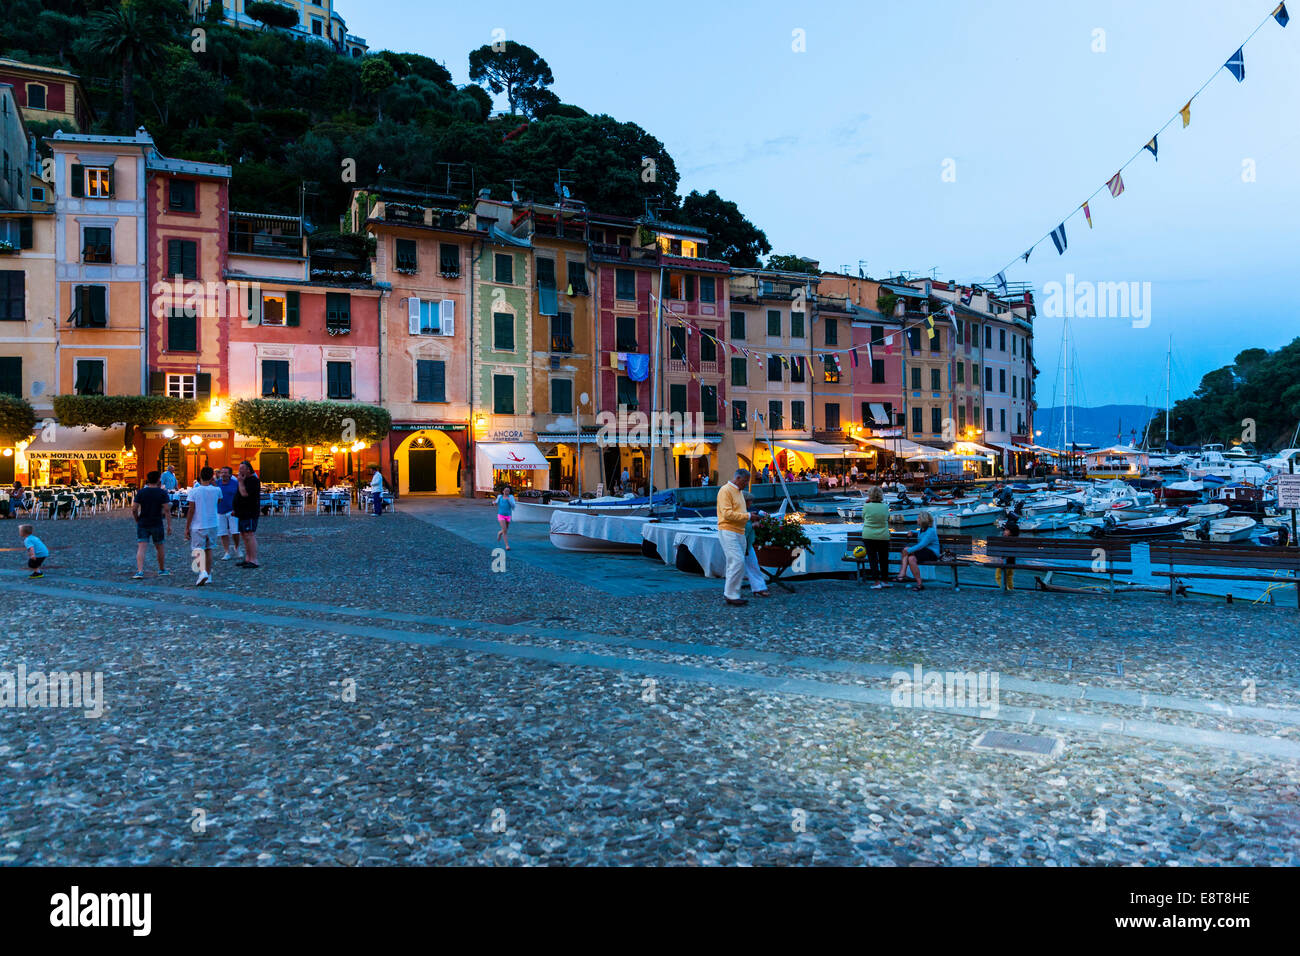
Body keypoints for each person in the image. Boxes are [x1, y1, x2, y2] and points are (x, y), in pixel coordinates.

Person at [717, 468, 755, 606]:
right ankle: (731, 594)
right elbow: (727, 514)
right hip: (728, 530)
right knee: (737, 561)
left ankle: (732, 592)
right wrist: (749, 516)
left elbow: (740, 512)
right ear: (738, 478)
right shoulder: (725, 491)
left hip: (739, 531)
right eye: (745, 481)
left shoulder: (739, 493)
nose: (746, 484)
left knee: (734, 563)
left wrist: (749, 517)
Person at [132, 470, 172, 579]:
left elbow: (134, 509)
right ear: (159, 479)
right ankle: (162, 569)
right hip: (157, 522)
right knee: (160, 547)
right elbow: (167, 510)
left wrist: (137, 519)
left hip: (143, 522)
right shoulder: (162, 493)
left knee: (141, 547)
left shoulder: (141, 492)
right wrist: (169, 525)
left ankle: (140, 571)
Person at [184, 466, 221, 586]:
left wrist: (187, 527)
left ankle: (202, 572)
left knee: (198, 550)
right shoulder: (217, 490)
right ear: (212, 477)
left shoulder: (194, 491)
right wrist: (214, 484)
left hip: (199, 524)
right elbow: (219, 501)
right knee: (209, 549)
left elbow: (191, 510)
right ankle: (208, 575)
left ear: (200, 476)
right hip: (213, 523)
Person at [896, 510, 940, 591]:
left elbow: (921, 545)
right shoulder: (922, 530)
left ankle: (902, 574)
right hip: (924, 551)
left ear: (923, 519)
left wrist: (909, 551)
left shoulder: (931, 531)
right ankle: (919, 584)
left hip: (932, 553)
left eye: (918, 518)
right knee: (911, 558)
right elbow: (919, 535)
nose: (917, 519)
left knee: (906, 550)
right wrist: (912, 531)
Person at [860, 485, 892, 589]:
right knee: (884, 558)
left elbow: (863, 517)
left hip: (869, 535)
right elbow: (887, 518)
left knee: (872, 558)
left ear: (870, 495)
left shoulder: (866, 506)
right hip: (883, 535)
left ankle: (876, 581)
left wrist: (867, 504)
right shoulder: (885, 506)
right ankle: (885, 580)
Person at [741, 492, 770, 599]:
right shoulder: (741, 513)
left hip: (747, 544)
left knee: (753, 565)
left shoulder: (744, 512)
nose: (752, 503)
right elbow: (741, 529)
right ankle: (732, 592)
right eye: (750, 501)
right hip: (742, 544)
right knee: (747, 566)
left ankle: (759, 588)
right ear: (746, 501)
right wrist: (753, 525)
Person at [233, 461, 261, 569]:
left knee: (249, 534)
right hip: (242, 512)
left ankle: (254, 560)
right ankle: (248, 558)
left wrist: (240, 482)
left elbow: (244, 494)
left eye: (242, 468)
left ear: (248, 470)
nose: (239, 471)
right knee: (244, 535)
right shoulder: (246, 480)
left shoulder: (253, 481)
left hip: (250, 512)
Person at [213, 466, 242, 561]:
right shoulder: (217, 484)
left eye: (226, 472)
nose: (224, 474)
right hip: (220, 511)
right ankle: (227, 552)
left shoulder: (235, 484)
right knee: (223, 533)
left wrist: (237, 508)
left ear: (230, 474)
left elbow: (240, 497)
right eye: (222, 472)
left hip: (232, 511)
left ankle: (237, 547)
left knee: (235, 532)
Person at [495, 484, 516, 549]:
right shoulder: (500, 497)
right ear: (503, 491)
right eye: (506, 491)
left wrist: (509, 500)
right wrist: (494, 503)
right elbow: (496, 502)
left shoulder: (511, 497)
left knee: (505, 529)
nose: (507, 492)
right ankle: (507, 545)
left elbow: (513, 506)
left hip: (508, 515)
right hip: (501, 515)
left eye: (508, 491)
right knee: (505, 531)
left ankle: (499, 533)